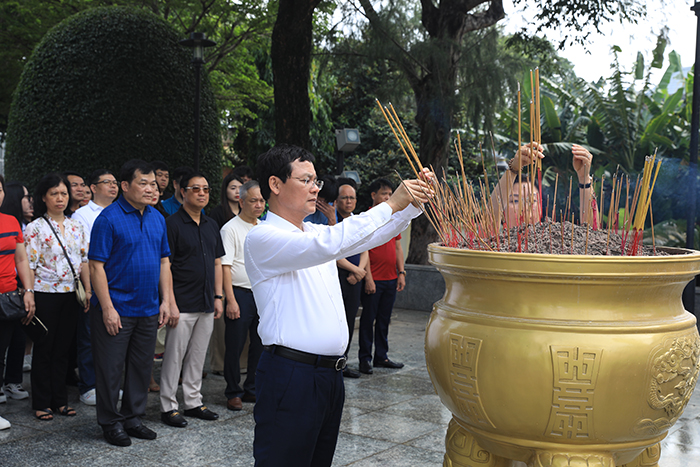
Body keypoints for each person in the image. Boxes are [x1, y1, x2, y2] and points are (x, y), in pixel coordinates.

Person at [245, 144, 433, 467]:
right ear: (275, 185)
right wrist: (391, 203)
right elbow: (334, 241)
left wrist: (411, 206)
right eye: (306, 180)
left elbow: (366, 237)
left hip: (328, 376)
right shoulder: (263, 238)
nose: (316, 188)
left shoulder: (316, 231)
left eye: (315, 180)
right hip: (291, 374)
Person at [89, 160, 173, 447]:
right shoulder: (108, 219)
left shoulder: (157, 218)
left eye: (154, 184)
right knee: (111, 369)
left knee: (140, 367)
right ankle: (111, 422)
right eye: (144, 183)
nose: (152, 189)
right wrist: (108, 308)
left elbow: (164, 261)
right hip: (118, 308)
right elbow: (96, 266)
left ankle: (133, 418)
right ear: (125, 187)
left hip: (149, 308)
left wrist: (167, 301)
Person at [160, 172, 224, 428]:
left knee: (198, 355)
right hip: (182, 302)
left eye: (206, 189)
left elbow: (218, 262)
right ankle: (168, 405)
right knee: (174, 356)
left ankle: (193, 401)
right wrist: (170, 301)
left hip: (207, 301)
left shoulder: (211, 225)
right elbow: (166, 265)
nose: (201, 193)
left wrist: (218, 296)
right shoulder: (172, 224)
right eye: (195, 189)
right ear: (183, 192)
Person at [25, 173, 90, 421]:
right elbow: (30, 264)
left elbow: (83, 261)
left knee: (63, 349)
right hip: (44, 293)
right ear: (44, 197)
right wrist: (29, 293)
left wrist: (88, 290)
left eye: (63, 193)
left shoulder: (77, 226)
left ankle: (60, 400)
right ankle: (42, 402)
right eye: (54, 194)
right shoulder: (35, 228)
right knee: (44, 348)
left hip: (70, 294)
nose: (60, 198)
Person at [72, 169, 119, 406]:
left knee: (113, 337)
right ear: (93, 188)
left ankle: (108, 385)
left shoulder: (120, 211)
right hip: (93, 280)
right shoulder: (82, 215)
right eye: (106, 182)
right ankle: (88, 385)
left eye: (115, 182)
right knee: (90, 335)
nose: (113, 186)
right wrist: (89, 289)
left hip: (117, 283)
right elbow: (86, 257)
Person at [220, 180, 265, 411]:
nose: (258, 205)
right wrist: (230, 299)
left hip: (262, 293)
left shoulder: (264, 227)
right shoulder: (230, 228)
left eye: (261, 200)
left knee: (260, 343)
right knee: (235, 345)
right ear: (241, 201)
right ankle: (233, 391)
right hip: (239, 293)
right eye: (253, 200)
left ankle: (252, 389)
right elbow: (225, 266)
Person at [358, 178, 407, 375]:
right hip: (374, 278)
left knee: (384, 320)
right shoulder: (367, 217)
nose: (388, 197)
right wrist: (368, 277)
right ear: (373, 196)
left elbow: (397, 246)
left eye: (390, 194)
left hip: (390, 278)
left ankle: (381, 356)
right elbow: (364, 248)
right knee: (368, 320)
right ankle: (365, 359)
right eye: (384, 194)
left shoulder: (393, 217)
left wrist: (401, 272)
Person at [0, 175, 36, 430]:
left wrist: (29, 290)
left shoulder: (11, 222)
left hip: (8, 297)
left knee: (7, 346)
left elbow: (22, 260)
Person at [489, 143, 597, 228]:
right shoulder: (493, 243)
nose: (525, 208)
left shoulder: (554, 242)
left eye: (532, 200)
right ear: (502, 212)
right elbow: (490, 216)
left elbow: (590, 233)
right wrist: (513, 169)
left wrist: (584, 178)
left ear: (541, 207)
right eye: (515, 201)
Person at [334, 179, 368, 378]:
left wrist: (360, 272)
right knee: (336, 320)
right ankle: (334, 361)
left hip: (356, 277)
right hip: (339, 275)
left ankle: (344, 362)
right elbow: (334, 253)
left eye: (352, 198)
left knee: (349, 320)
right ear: (337, 200)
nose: (348, 201)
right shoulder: (333, 220)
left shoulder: (358, 220)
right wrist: (355, 270)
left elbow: (365, 248)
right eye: (344, 197)